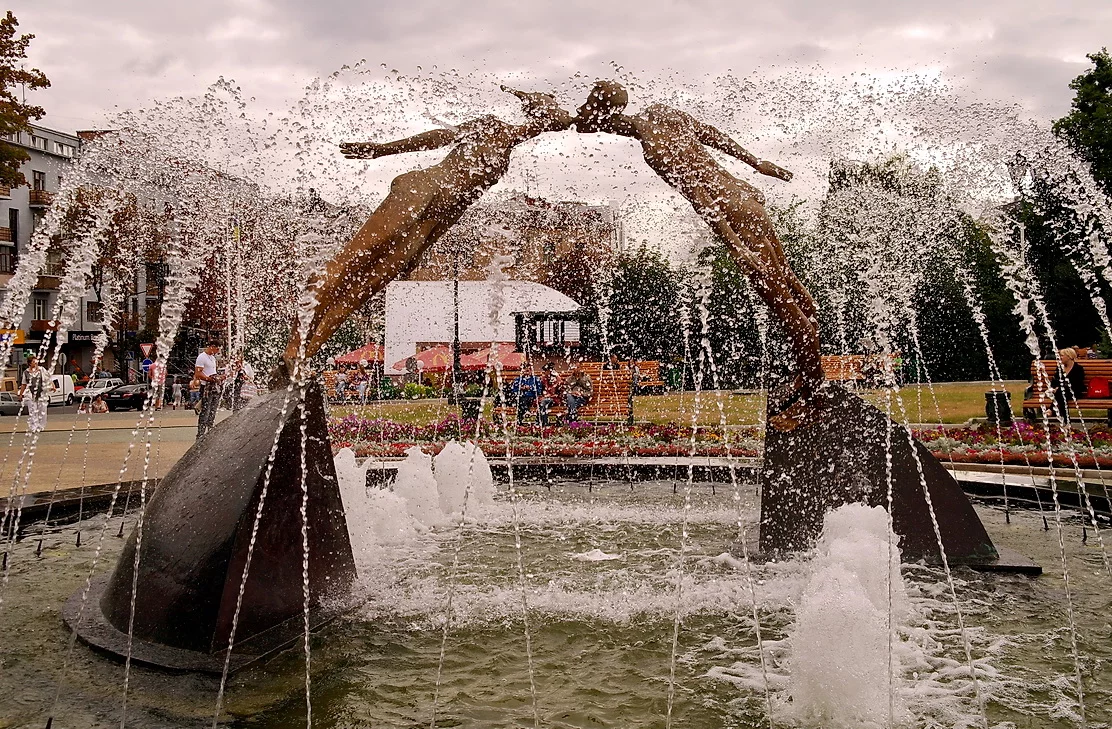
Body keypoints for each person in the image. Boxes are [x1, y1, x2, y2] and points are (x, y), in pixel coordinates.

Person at [279, 86, 574, 377]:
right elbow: (439, 137)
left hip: (433, 219)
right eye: (551, 114)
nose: (552, 123)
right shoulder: (491, 126)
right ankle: (293, 347)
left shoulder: (505, 157)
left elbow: (459, 208)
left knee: (363, 289)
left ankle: (301, 357)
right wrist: (382, 150)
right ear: (537, 113)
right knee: (349, 263)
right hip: (421, 191)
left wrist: (424, 246)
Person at [574, 81, 819, 431]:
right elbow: (710, 133)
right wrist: (755, 162)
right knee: (793, 289)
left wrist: (735, 247)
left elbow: (701, 197)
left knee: (785, 306)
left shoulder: (655, 147)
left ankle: (813, 397)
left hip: (734, 217)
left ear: (604, 113)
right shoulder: (661, 112)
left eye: (587, 106)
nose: (581, 112)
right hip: (746, 199)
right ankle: (805, 380)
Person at [194, 340, 224, 438]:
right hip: (206, 387)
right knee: (205, 411)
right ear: (212, 346)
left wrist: (219, 377)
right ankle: (201, 434)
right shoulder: (202, 357)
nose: (217, 351)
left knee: (213, 411)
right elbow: (198, 373)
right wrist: (210, 379)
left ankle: (210, 431)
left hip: (214, 387)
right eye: (217, 349)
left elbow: (212, 371)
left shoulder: (212, 358)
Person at [1048, 347, 1086, 422]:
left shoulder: (1078, 369)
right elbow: (1054, 382)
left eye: (1062, 355)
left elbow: (1077, 384)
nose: (1060, 357)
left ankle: (1051, 409)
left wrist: (1060, 387)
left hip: (1075, 392)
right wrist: (1055, 388)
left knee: (1061, 392)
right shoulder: (1060, 368)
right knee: (1061, 394)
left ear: (1069, 356)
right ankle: (1067, 422)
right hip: (1061, 393)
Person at [18, 355, 52, 433]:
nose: (36, 363)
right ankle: (33, 426)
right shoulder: (26, 372)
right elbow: (24, 384)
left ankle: (41, 426)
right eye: (34, 362)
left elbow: (48, 378)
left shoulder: (41, 370)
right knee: (32, 410)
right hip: (30, 394)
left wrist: (52, 386)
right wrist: (21, 394)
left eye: (36, 361)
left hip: (41, 393)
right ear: (30, 363)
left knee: (42, 410)